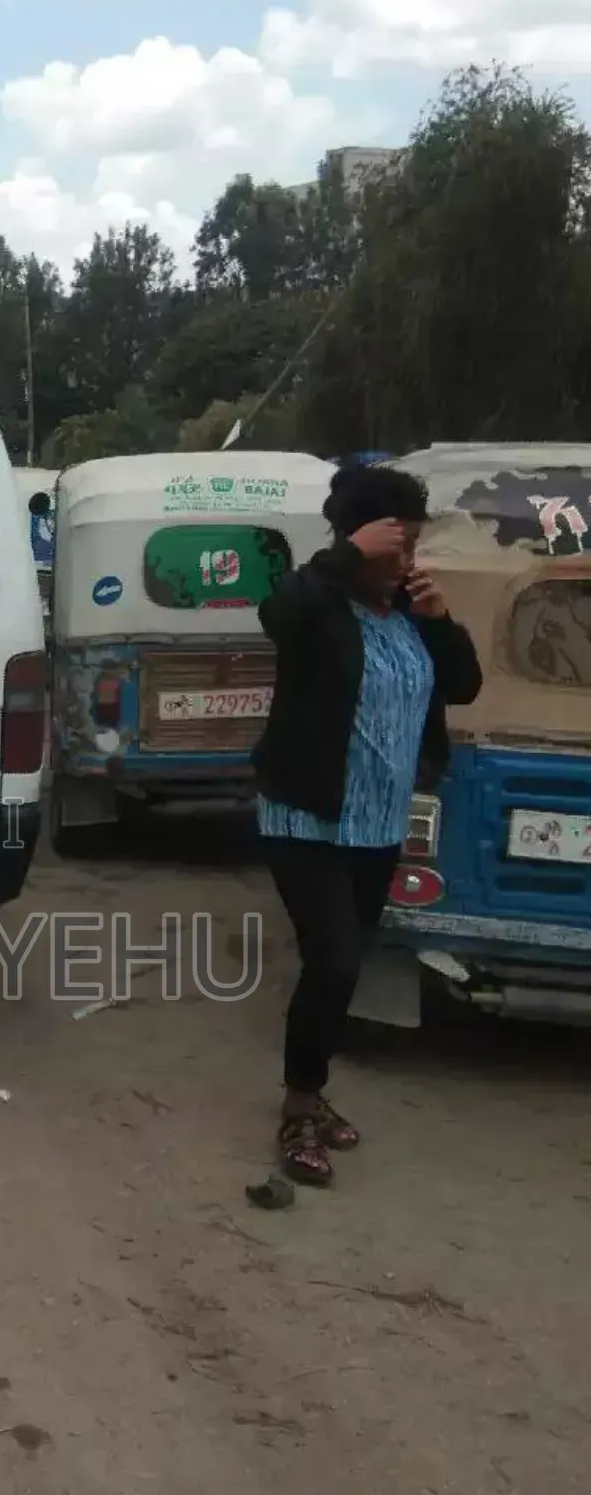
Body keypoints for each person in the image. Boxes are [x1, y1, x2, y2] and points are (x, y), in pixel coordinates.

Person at [252, 463, 482, 1186]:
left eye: (413, 544)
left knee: (341, 970)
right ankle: (297, 1105)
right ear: (362, 538)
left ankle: (314, 1088)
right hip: (307, 818)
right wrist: (347, 554)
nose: (407, 558)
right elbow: (277, 612)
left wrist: (441, 623)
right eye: (397, 543)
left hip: (380, 823)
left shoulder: (410, 617)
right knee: (335, 961)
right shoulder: (318, 605)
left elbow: (465, 686)